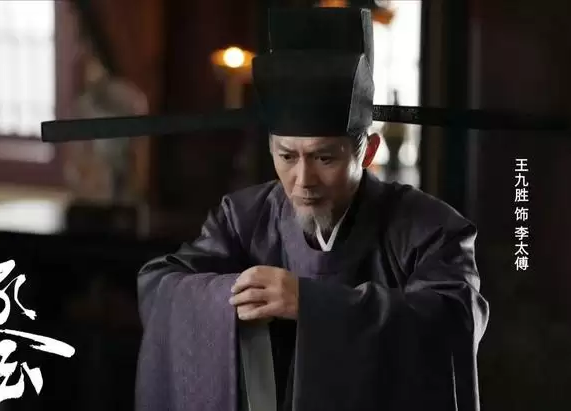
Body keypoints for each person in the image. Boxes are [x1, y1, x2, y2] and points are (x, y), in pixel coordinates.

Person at [135, 7, 489, 411]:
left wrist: (310, 304)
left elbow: (454, 318)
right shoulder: (243, 218)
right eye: (287, 156)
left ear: (367, 152)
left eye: (324, 158)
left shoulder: (430, 228)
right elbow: (160, 285)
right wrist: (228, 297)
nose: (303, 180)